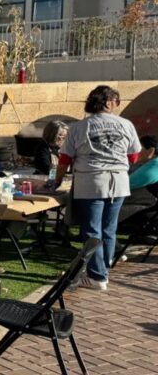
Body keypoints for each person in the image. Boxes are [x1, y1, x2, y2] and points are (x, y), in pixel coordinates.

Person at [52, 85, 141, 291]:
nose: (117, 105)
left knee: (92, 230)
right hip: (118, 182)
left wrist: (56, 181)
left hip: (91, 182)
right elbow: (134, 156)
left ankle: (97, 276)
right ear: (108, 102)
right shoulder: (126, 124)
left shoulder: (79, 127)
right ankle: (104, 266)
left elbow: (64, 159)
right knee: (109, 228)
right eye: (117, 101)